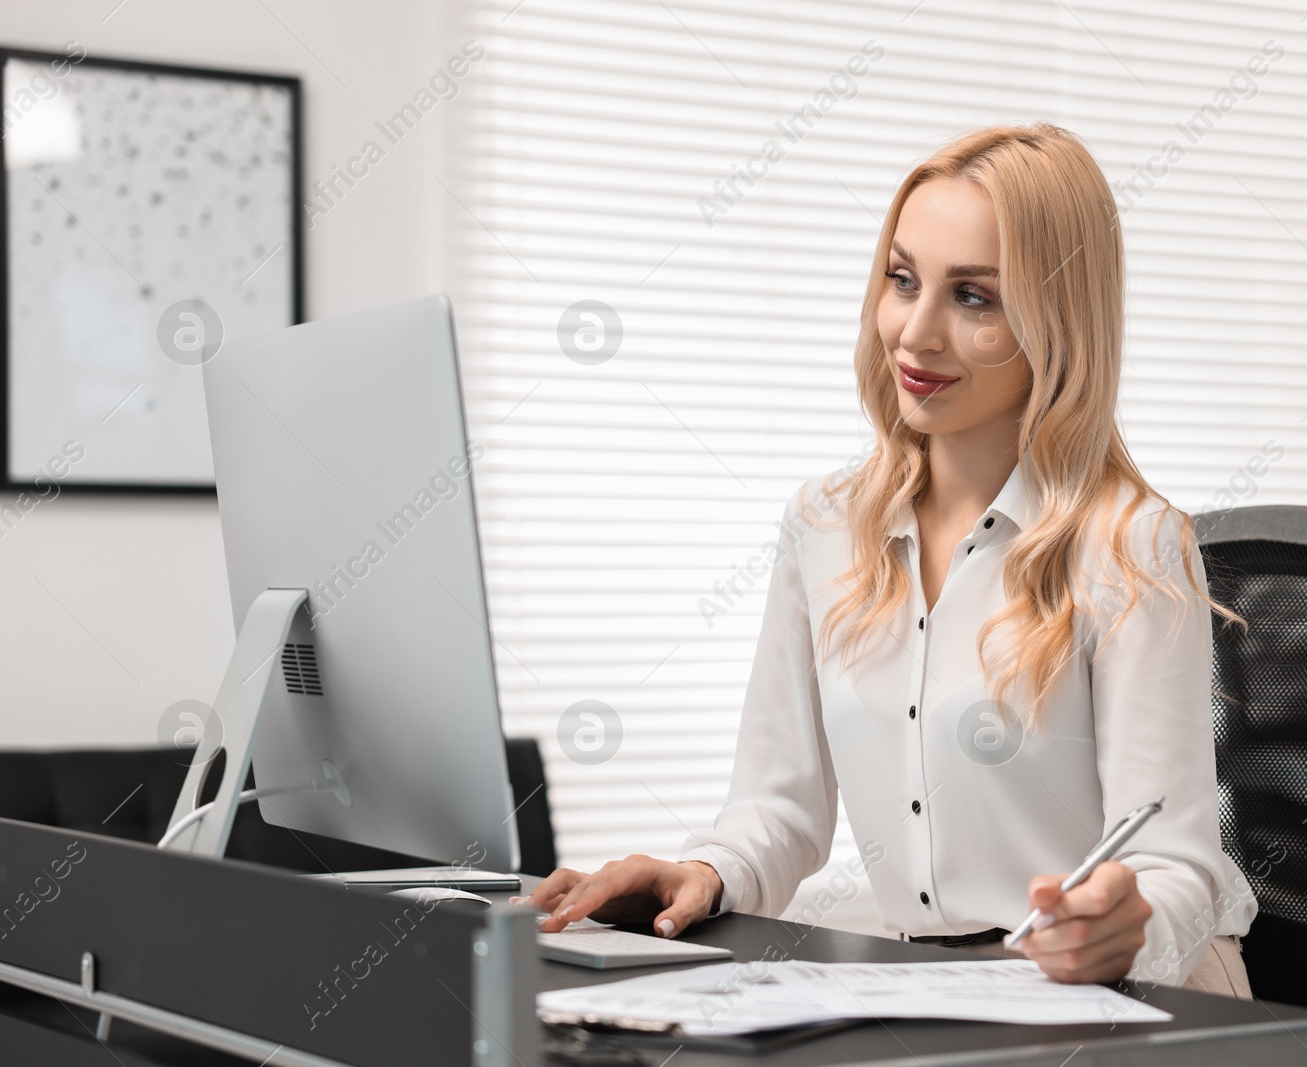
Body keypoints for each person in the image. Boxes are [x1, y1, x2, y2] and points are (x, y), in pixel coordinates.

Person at [526, 123, 1255, 994]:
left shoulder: (1132, 545)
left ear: (1057, 320)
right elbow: (781, 807)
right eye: (902, 280)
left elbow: (1177, 865)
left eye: (974, 297)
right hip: (938, 985)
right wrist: (707, 872)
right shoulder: (825, 524)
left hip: (1140, 994)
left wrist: (1120, 930)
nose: (915, 331)